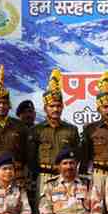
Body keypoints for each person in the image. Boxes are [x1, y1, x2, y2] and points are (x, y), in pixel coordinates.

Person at [32, 69, 80, 198]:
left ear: (62, 107)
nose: (55, 109)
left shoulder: (71, 130)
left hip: (65, 176)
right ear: (45, 108)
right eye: (52, 106)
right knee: (43, 207)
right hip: (43, 176)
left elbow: (77, 155)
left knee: (66, 206)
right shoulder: (36, 130)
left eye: (58, 106)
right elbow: (31, 157)